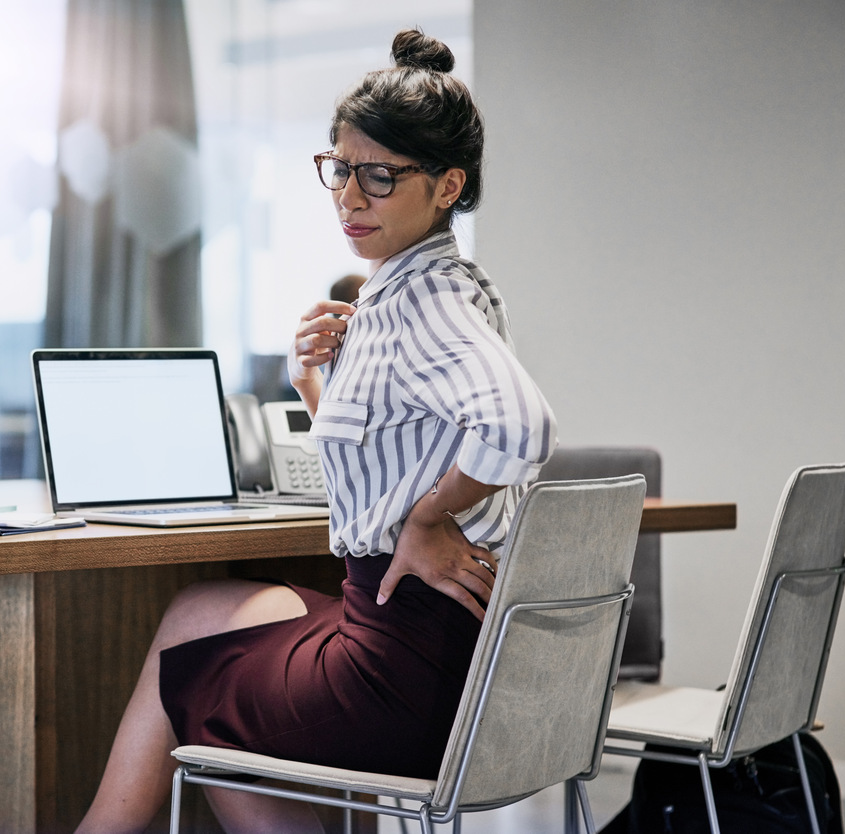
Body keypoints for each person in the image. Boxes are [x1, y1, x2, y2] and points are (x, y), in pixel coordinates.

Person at [75, 28, 557, 834]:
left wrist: (428, 518)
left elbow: (522, 424)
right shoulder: (449, 283)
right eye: (339, 169)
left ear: (447, 186)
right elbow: (383, 470)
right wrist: (313, 385)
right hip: (449, 654)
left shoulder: (419, 301)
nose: (348, 199)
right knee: (197, 613)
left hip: (402, 673)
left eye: (378, 176)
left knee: (196, 688)